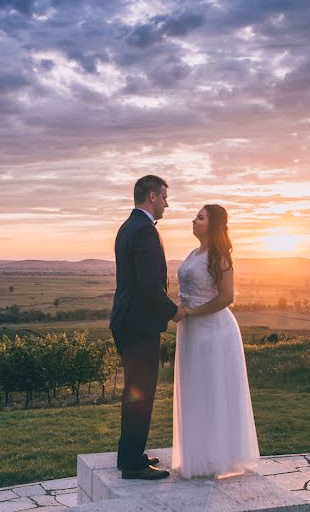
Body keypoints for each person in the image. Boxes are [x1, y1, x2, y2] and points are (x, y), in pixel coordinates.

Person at [172, 204, 259, 479]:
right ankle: (199, 456)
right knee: (194, 388)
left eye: (200, 217)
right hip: (191, 329)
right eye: (195, 217)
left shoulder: (219, 256)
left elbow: (226, 297)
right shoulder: (193, 253)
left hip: (213, 330)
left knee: (213, 389)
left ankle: (218, 456)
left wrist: (192, 312)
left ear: (213, 224)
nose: (194, 221)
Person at [110, 175, 185, 480]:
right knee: (141, 393)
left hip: (127, 322)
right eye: (165, 197)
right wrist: (174, 312)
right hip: (139, 325)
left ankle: (128, 454)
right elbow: (149, 287)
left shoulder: (129, 227)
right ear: (152, 196)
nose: (167, 203)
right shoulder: (144, 231)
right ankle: (132, 465)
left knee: (134, 391)